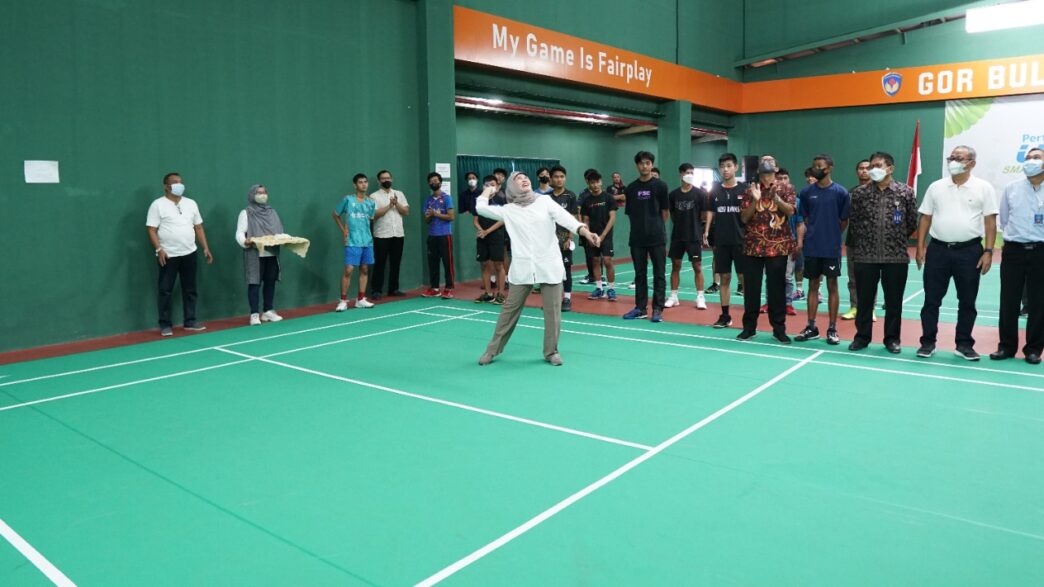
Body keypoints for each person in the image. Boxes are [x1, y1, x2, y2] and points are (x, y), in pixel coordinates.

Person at [476, 172, 600, 366]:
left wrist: (585, 231)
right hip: (522, 268)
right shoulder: (508, 210)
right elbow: (481, 208)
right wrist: (488, 190)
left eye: (525, 177)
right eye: (518, 179)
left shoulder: (545, 201)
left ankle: (551, 352)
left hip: (549, 265)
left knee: (553, 312)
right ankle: (492, 350)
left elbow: (567, 219)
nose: (524, 179)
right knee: (509, 311)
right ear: (511, 187)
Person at [915, 145, 998, 361]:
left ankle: (964, 344)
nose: (953, 161)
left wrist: (988, 251)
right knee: (931, 300)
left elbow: (990, 222)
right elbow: (925, 217)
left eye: (959, 158)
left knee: (967, 301)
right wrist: (920, 246)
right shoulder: (936, 187)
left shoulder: (984, 188)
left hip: (970, 252)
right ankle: (927, 342)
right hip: (938, 250)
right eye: (951, 157)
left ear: (972, 163)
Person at [847, 152, 918, 353]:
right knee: (864, 300)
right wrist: (866, 241)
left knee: (894, 301)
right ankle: (862, 337)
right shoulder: (860, 193)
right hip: (865, 256)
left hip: (895, 256)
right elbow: (854, 222)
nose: (873, 169)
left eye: (877, 165)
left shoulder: (905, 192)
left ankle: (892, 339)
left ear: (890, 168)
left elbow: (911, 222)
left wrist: (893, 239)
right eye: (871, 166)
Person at [992, 147, 1044, 364]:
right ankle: (1006, 346)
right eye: (1028, 157)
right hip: (1014, 250)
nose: (1031, 161)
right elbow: (1004, 220)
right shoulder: (1011, 188)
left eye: (1036, 157)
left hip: (1041, 251)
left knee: (1039, 302)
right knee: (1008, 300)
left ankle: (1033, 349)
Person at [146, 172, 213, 336]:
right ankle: (165, 324)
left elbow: (198, 227)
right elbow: (151, 229)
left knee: (190, 289)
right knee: (165, 290)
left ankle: (190, 321)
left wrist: (205, 247)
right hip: (168, 255)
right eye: (174, 182)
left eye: (180, 181)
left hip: (190, 252)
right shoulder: (157, 205)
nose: (179, 184)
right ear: (166, 186)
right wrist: (159, 249)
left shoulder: (191, 203)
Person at [793, 155, 851, 345]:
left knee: (832, 286)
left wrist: (831, 234)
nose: (815, 169)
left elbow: (844, 221)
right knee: (813, 286)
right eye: (814, 166)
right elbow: (806, 218)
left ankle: (832, 329)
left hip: (831, 248)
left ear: (829, 168)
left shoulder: (841, 193)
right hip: (812, 248)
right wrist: (814, 234)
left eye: (819, 166)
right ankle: (811, 327)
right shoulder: (806, 193)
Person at [738, 155, 796, 343]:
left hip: (777, 247)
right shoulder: (750, 190)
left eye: (771, 161)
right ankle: (749, 328)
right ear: (758, 170)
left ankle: (779, 329)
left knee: (777, 290)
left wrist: (776, 199)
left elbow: (790, 211)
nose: (767, 163)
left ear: (776, 169)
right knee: (751, 289)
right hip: (753, 246)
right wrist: (755, 201)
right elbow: (744, 218)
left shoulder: (786, 188)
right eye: (763, 161)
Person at [622, 151, 670, 322]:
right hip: (637, 239)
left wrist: (655, 227)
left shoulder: (661, 186)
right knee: (639, 274)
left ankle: (657, 309)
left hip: (657, 237)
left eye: (648, 163)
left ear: (652, 165)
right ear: (637, 165)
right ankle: (640, 308)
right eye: (641, 163)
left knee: (659, 274)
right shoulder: (631, 188)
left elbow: (665, 212)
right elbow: (630, 213)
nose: (645, 166)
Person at [706, 153, 747, 328]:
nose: (725, 169)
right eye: (722, 166)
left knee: (744, 278)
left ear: (736, 167)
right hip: (721, 240)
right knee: (724, 277)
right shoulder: (715, 190)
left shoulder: (745, 189)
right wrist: (706, 231)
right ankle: (725, 316)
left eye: (729, 166)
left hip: (741, 241)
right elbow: (710, 211)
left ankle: (749, 316)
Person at [236, 184, 284, 325]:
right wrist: (245, 241)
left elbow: (279, 231)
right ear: (252, 195)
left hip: (271, 252)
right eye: (259, 192)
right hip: (254, 253)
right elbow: (239, 233)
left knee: (270, 281)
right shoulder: (246, 213)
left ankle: (268, 311)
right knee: (254, 283)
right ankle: (254, 314)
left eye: (264, 192)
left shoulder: (272, 212)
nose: (262, 195)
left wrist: (283, 239)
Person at [666, 163, 710, 310]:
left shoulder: (700, 194)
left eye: (692, 172)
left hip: (694, 236)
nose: (690, 175)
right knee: (675, 266)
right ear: (681, 174)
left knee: (697, 266)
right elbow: (672, 215)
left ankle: (700, 297)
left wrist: (696, 228)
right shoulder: (673, 195)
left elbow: (703, 215)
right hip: (677, 236)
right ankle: (673, 296)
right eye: (687, 172)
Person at [333, 173, 377, 311]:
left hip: (367, 241)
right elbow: (335, 214)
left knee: (364, 269)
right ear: (355, 185)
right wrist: (344, 231)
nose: (364, 184)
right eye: (360, 182)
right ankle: (343, 301)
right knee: (349, 270)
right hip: (352, 240)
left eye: (365, 182)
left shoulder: (371, 202)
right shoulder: (348, 199)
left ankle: (361, 299)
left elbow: (370, 220)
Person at [370, 169, 409, 300]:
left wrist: (396, 203)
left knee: (395, 262)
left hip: (398, 234)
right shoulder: (374, 196)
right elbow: (374, 215)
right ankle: (376, 290)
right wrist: (389, 205)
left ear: (392, 179)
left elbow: (406, 212)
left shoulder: (399, 194)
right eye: (383, 178)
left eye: (388, 178)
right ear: (379, 181)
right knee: (379, 263)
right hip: (381, 235)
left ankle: (393, 289)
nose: (386, 180)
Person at [842, 159, 873, 320]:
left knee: (870, 278)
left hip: (873, 243)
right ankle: (854, 307)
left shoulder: (878, 192)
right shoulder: (850, 193)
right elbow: (844, 218)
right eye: (861, 168)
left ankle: (869, 309)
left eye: (867, 168)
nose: (864, 171)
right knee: (853, 277)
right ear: (857, 172)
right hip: (853, 241)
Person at [580, 168, 618, 301]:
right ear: (588, 184)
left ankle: (611, 289)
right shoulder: (586, 200)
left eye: (597, 182)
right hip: (592, 237)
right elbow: (585, 220)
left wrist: (602, 236)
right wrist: (589, 235)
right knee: (595, 261)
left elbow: (612, 217)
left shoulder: (608, 198)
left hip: (606, 236)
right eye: (592, 183)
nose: (595, 185)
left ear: (601, 182)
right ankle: (599, 289)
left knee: (607, 260)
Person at [549, 165, 580, 311]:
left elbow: (573, 218)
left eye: (562, 177)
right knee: (551, 269)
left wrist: (569, 238)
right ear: (551, 179)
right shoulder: (547, 198)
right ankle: (553, 299)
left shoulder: (570, 196)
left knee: (566, 269)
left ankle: (567, 299)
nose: (559, 179)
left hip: (564, 239)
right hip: (549, 240)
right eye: (556, 177)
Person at [421, 171, 456, 298]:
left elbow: (451, 216)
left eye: (436, 181)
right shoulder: (428, 200)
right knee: (433, 263)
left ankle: (449, 288)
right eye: (431, 181)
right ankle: (435, 288)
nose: (433, 183)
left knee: (447, 262)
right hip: (432, 236)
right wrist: (430, 215)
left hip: (445, 235)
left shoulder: (447, 198)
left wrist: (436, 214)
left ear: (440, 183)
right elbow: (426, 220)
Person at [473, 175, 507, 304]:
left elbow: (502, 220)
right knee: (484, 264)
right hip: (482, 236)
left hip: (496, 235)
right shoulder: (480, 200)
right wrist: (481, 230)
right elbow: (475, 220)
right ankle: (488, 294)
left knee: (498, 264)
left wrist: (487, 231)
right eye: (487, 185)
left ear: (497, 186)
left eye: (492, 185)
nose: (489, 187)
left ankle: (501, 294)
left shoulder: (501, 199)